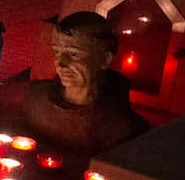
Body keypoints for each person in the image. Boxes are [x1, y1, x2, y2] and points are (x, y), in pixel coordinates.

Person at [23, 11, 149, 155]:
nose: (61, 64)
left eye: (74, 54)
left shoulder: (124, 129)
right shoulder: (35, 100)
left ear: (104, 60)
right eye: (57, 52)